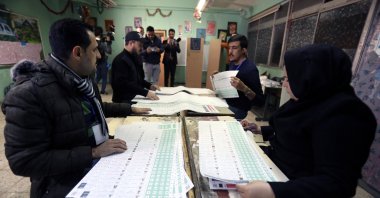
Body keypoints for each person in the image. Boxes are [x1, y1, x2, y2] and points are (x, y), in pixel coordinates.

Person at [2, 18, 130, 198]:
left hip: (94, 163)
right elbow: (24, 161)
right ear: (77, 53)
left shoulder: (82, 78)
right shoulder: (29, 95)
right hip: (63, 185)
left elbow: (93, 109)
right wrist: (92, 152)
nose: (99, 56)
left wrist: (130, 109)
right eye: (94, 50)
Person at [236, 44, 376, 198]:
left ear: (312, 79)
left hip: (296, 187)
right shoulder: (309, 100)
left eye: (289, 79)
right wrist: (260, 129)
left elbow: (337, 184)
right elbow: (297, 132)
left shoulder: (346, 115)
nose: (283, 84)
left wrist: (273, 192)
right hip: (275, 168)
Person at [111, 31, 160, 103]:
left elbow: (138, 79)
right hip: (123, 103)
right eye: (139, 45)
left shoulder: (135, 58)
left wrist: (149, 86)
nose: (141, 48)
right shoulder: (120, 60)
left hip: (135, 97)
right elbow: (123, 84)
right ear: (131, 43)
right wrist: (145, 93)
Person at [226, 34, 264, 119]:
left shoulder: (250, 69)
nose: (230, 52)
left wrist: (244, 88)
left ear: (243, 50)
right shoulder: (232, 63)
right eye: (229, 48)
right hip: (227, 104)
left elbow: (260, 101)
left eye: (234, 48)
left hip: (238, 110)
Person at [94, 26, 111, 94]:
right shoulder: (101, 43)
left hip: (96, 62)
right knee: (104, 77)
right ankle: (102, 91)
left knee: (98, 77)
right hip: (103, 61)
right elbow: (109, 51)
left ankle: (93, 89)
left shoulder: (93, 41)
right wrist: (109, 43)